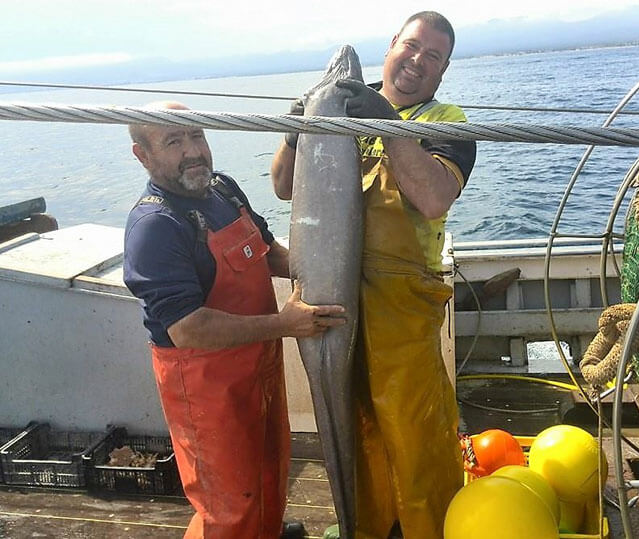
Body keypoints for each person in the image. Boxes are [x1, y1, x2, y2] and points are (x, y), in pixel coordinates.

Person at [270, 11, 477, 539]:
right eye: (412, 46)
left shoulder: (446, 121)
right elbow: (283, 187)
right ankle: (365, 528)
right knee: (355, 428)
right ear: (391, 45)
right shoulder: (340, 105)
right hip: (331, 297)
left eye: (433, 57)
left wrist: (383, 120)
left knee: (416, 436)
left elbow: (433, 198)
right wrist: (298, 129)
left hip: (402, 307)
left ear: (444, 70)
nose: (417, 61)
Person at [123, 101, 346, 539]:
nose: (193, 152)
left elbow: (268, 251)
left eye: (197, 136)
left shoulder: (223, 190)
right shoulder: (155, 225)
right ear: (142, 155)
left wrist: (322, 274)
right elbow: (188, 327)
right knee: (227, 504)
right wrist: (286, 324)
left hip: (259, 370)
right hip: (207, 391)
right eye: (174, 141)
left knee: (267, 474)